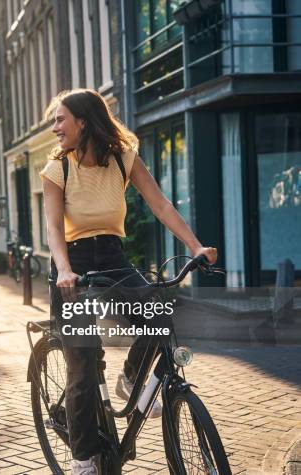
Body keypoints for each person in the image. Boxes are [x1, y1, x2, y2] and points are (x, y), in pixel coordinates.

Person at [40, 89, 217, 474]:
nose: (54, 127)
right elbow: (53, 228)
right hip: (72, 265)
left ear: (82, 121)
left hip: (112, 257)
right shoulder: (58, 169)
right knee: (83, 368)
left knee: (159, 319)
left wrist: (196, 246)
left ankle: (131, 378)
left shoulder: (123, 159)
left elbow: (161, 205)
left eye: (60, 119)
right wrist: (65, 269)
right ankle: (84, 459)